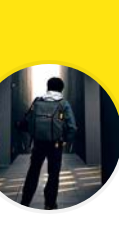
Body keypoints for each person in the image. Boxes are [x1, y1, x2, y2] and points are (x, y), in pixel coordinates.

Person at [19, 78, 77, 210]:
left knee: (33, 171)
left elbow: (28, 120)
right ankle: (50, 203)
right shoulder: (63, 104)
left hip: (38, 143)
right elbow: (72, 127)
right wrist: (65, 140)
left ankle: (25, 201)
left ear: (47, 87)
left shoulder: (37, 101)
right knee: (53, 174)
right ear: (61, 89)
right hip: (56, 144)